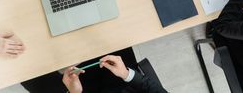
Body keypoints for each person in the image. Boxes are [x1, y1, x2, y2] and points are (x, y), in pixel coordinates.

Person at [20, 48, 167, 93]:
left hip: (80, 90)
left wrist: (74, 92)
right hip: (120, 84)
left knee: (26, 73)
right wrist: (126, 74)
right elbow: (153, 90)